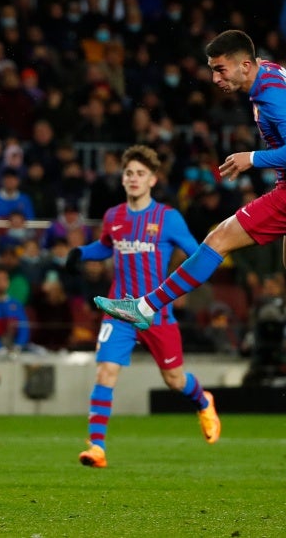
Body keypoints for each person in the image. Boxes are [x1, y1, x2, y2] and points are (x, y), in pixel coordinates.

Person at [93, 30, 286, 370]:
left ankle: (145, 308)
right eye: (212, 70)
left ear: (246, 65)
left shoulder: (271, 97)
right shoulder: (272, 71)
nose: (215, 78)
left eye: (221, 70)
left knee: (218, 240)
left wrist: (253, 158)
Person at [65, 144, 220, 468]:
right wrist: (81, 253)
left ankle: (203, 399)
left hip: (156, 312)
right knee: (105, 371)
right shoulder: (113, 217)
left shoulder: (169, 218)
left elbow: (199, 254)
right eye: (129, 173)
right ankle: (96, 447)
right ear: (123, 179)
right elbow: (105, 246)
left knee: (174, 380)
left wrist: (184, 285)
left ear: (152, 180)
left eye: (140, 174)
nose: (134, 178)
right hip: (119, 311)